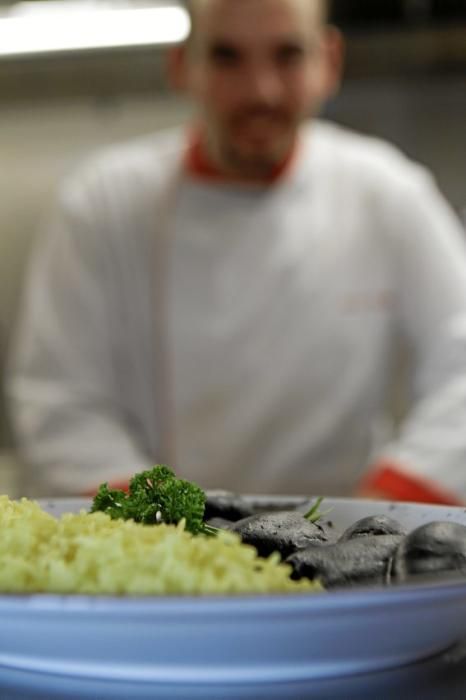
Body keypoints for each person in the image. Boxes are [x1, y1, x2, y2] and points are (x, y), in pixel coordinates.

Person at [7, 0, 466, 503]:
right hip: (165, 555)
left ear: (328, 62)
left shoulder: (386, 195)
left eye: (287, 55)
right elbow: (60, 401)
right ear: (181, 66)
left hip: (345, 552)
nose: (260, 91)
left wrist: (380, 508)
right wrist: (168, 534)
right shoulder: (102, 205)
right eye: (227, 57)